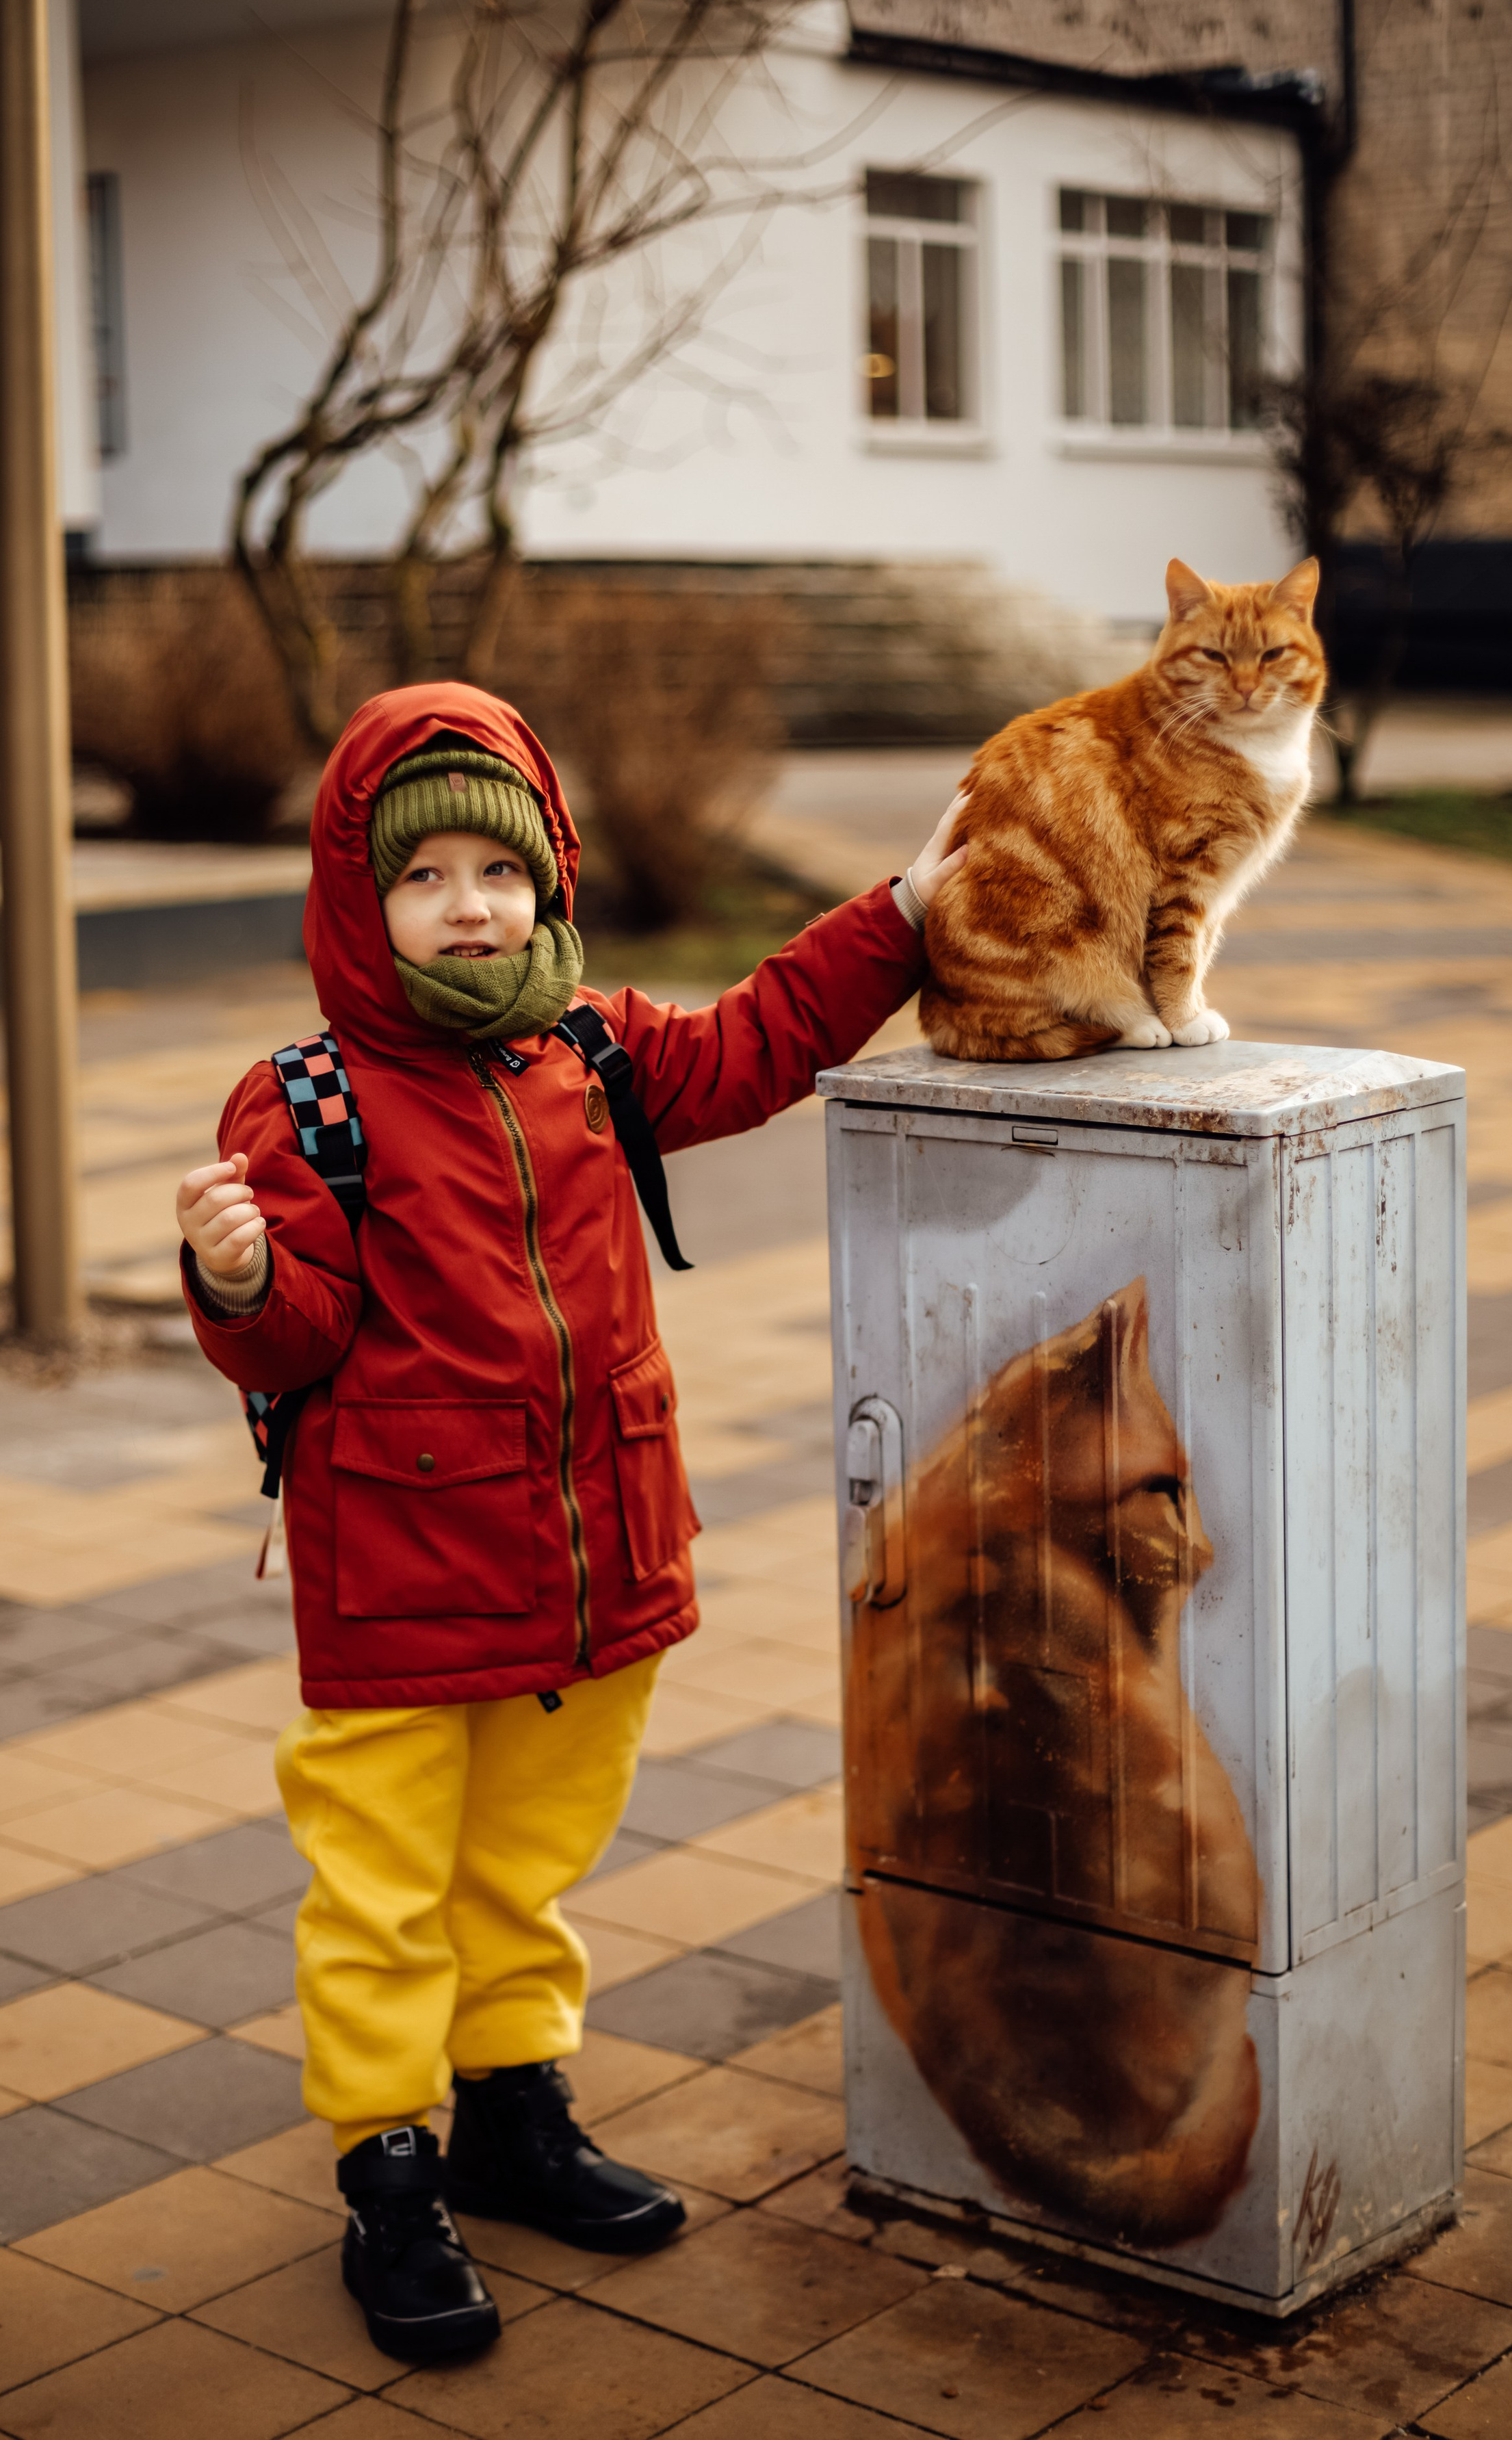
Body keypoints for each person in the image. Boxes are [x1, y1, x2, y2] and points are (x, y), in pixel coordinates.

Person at [174, 681, 964, 2364]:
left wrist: (899, 917)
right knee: (384, 1884)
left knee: (527, 1862)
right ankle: (388, 2165)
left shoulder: (593, 1051)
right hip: (395, 1572)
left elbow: (762, 1040)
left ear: (551, 877)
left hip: (596, 1556)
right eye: (424, 874)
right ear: (356, 901)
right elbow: (295, 1331)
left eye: (499, 867)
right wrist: (236, 1276)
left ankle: (509, 2108)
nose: (470, 902)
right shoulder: (304, 1099)